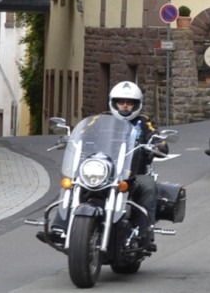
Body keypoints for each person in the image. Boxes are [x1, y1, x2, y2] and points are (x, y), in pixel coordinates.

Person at [36, 81, 163, 252]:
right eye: (121, 102)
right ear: (113, 102)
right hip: (102, 171)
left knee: (148, 186)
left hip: (132, 173)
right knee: (72, 184)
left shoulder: (144, 122)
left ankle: (144, 234)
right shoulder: (99, 119)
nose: (125, 106)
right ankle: (59, 228)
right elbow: (81, 132)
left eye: (129, 103)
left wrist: (157, 145)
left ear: (136, 104)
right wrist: (69, 138)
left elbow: (157, 137)